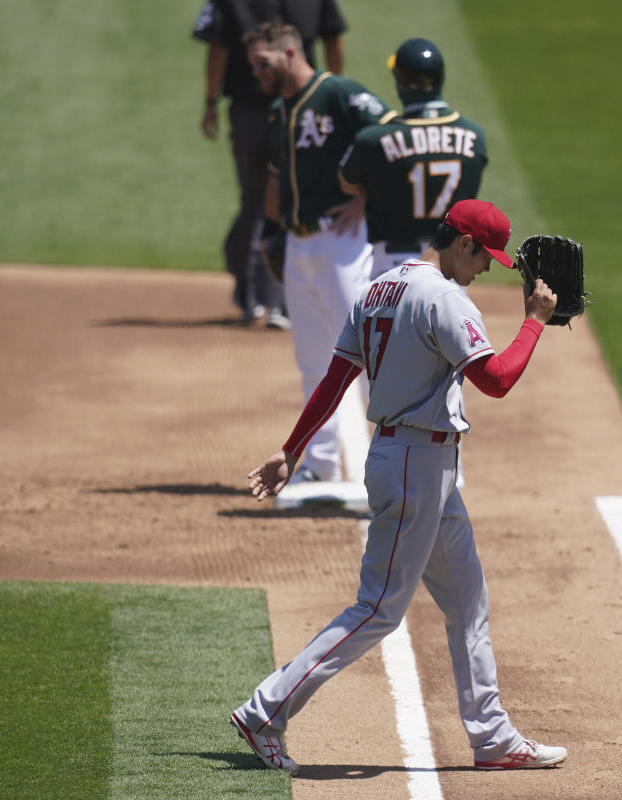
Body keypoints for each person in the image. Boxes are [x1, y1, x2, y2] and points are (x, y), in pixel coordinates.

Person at [232, 199, 569, 774]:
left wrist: (292, 450)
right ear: (461, 242)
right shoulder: (444, 299)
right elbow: (496, 380)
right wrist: (534, 321)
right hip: (415, 465)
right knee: (379, 609)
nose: (487, 268)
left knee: (467, 602)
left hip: (420, 464)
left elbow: (336, 379)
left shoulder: (378, 289)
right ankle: (266, 709)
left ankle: (492, 738)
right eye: (484, 256)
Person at [245, 21, 394, 482]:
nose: (257, 73)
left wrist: (364, 198)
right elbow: (275, 177)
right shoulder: (279, 111)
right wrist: (271, 231)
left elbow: (392, 138)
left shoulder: (339, 94)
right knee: (312, 359)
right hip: (298, 245)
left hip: (342, 243)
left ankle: (393, 464)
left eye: (263, 64)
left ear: (290, 52)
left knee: (370, 355)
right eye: (253, 66)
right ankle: (321, 464)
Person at [340, 38, 489, 280]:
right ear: (441, 78)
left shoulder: (373, 139)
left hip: (392, 267)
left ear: (400, 83)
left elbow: (347, 182)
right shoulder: (474, 136)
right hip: (449, 266)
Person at [194, 0, 290, 328]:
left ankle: (258, 301)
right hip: (271, 108)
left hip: (262, 110)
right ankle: (268, 303)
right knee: (273, 203)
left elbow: (218, 46)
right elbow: (332, 39)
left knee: (258, 204)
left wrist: (210, 102)